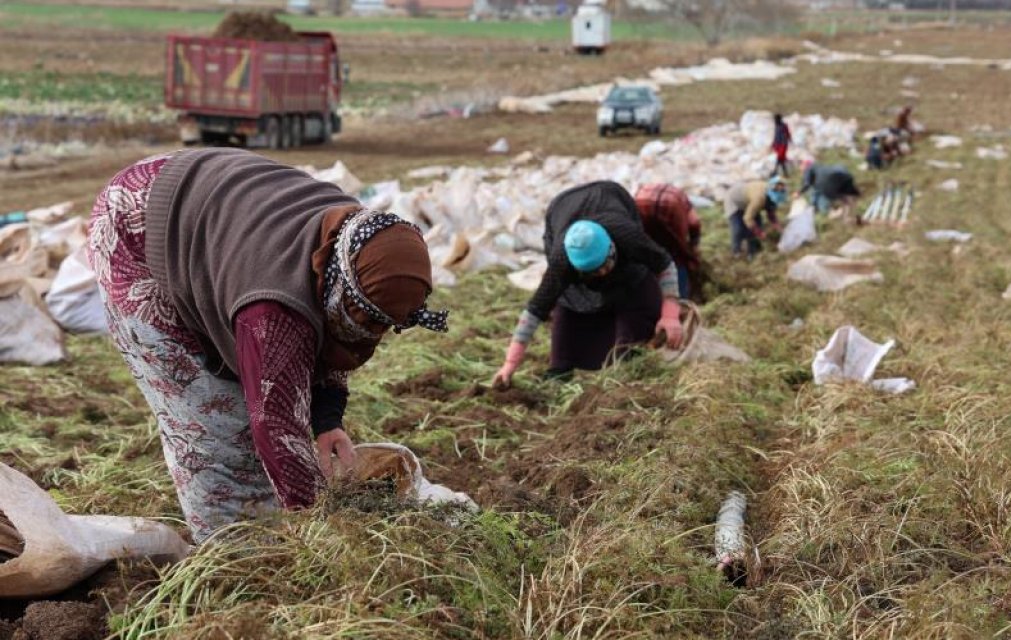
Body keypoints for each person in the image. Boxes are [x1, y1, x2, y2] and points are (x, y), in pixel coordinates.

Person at [87, 149, 448, 542]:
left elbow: (338, 332)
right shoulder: (274, 309)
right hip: (137, 226)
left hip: (212, 209)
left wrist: (327, 419)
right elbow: (276, 426)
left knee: (257, 405)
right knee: (215, 427)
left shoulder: (360, 242)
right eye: (365, 318)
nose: (373, 334)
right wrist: (323, 531)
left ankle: (265, 524)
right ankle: (231, 554)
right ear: (341, 284)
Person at [491, 181, 682, 387]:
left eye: (603, 266)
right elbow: (535, 310)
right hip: (562, 210)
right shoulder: (562, 261)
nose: (600, 273)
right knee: (571, 303)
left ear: (611, 249)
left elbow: (665, 264)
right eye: (592, 272)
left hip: (609, 197)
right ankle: (561, 370)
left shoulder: (627, 236)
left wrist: (670, 315)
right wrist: (510, 363)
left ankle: (628, 355)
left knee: (633, 300)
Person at [633, 183, 702, 300]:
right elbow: (694, 222)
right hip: (670, 210)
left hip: (642, 206)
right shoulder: (682, 200)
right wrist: (693, 243)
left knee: (648, 255)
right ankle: (679, 300)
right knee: (677, 257)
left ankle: (650, 294)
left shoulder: (641, 192)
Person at [724, 177, 787, 259]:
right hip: (734, 201)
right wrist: (759, 233)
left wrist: (777, 225)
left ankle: (753, 250)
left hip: (749, 200)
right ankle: (736, 251)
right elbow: (748, 218)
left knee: (758, 224)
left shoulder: (772, 195)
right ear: (770, 196)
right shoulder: (759, 199)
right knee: (738, 229)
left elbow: (771, 211)